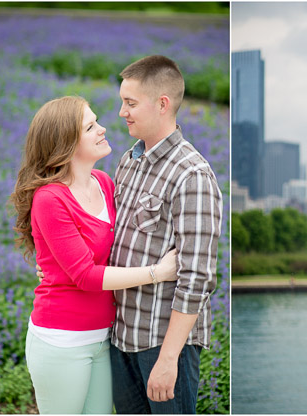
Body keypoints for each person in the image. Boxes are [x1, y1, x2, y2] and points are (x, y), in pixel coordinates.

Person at [11, 96, 179, 414]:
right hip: (62, 340)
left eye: (96, 121)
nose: (103, 129)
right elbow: (86, 275)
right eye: (90, 127)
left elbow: (119, 247)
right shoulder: (50, 199)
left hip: (104, 337)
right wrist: (159, 271)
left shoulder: (103, 183)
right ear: (66, 143)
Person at [109, 55, 222, 413]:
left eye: (130, 104)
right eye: (122, 103)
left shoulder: (192, 176)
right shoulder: (130, 160)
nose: (122, 113)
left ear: (162, 104)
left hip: (162, 343)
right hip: (121, 335)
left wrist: (169, 358)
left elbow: (197, 278)